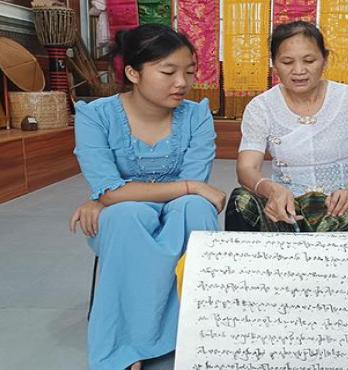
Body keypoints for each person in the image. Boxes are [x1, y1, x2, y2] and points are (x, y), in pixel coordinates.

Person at [68, 24, 226, 370]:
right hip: (124, 218)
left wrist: (113, 195)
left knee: (196, 209)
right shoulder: (95, 116)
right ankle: (127, 343)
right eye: (168, 71)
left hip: (176, 213)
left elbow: (192, 182)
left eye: (189, 72)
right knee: (129, 216)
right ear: (132, 73)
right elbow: (111, 189)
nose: (181, 83)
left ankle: (203, 334)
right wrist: (110, 197)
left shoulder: (196, 115)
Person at [225, 21, 348, 232]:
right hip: (286, 209)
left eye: (309, 60)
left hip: (338, 207)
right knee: (241, 201)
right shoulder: (261, 107)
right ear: (274, 65)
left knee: (347, 222)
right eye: (287, 62)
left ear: (325, 60)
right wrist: (272, 190)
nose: (299, 71)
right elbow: (246, 168)